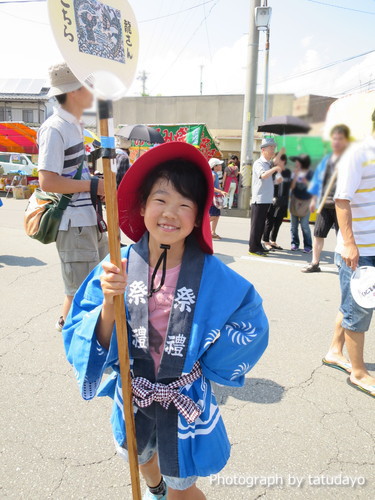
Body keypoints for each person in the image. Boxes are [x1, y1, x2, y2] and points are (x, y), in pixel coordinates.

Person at [62, 142, 269, 499]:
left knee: (182, 489)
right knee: (140, 458)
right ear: (142, 206)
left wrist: (208, 361)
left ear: (199, 216)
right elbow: (81, 326)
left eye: (185, 204)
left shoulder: (214, 276)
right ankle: (154, 486)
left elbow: (250, 321)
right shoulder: (117, 266)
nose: (170, 213)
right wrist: (110, 304)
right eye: (160, 200)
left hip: (182, 399)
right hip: (135, 392)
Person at [38, 62, 108, 332]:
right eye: (89, 84)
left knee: (91, 287)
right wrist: (91, 187)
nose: (93, 90)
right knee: (84, 293)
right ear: (76, 90)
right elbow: (48, 181)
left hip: (87, 220)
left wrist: (94, 184)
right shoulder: (55, 128)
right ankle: (79, 348)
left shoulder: (74, 125)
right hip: (74, 222)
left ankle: (68, 325)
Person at [323, 112, 375, 398]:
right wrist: (350, 243)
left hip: (371, 246)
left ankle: (335, 351)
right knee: (360, 307)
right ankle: (358, 372)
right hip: (360, 249)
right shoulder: (359, 153)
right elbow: (342, 200)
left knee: (350, 304)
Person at [302, 125, 351, 273]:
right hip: (325, 203)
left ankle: (344, 266)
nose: (336, 142)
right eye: (334, 139)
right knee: (318, 234)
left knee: (342, 237)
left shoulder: (349, 158)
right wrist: (313, 200)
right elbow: (317, 180)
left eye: (340, 139)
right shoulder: (327, 159)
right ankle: (315, 263)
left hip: (341, 204)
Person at [249, 138, 284, 256]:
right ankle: (253, 248)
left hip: (266, 199)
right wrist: (275, 169)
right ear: (263, 149)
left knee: (261, 224)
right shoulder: (259, 163)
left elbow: (275, 163)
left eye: (274, 147)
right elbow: (263, 176)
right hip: (259, 199)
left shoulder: (268, 163)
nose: (273, 150)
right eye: (271, 148)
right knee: (256, 225)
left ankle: (258, 245)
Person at [262, 154, 291, 250]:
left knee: (278, 221)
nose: (275, 162)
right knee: (269, 220)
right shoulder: (272, 171)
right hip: (272, 199)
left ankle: (273, 240)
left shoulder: (287, 172)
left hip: (283, 200)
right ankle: (266, 241)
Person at [289, 154, 313, 253]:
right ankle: (294, 243)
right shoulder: (294, 172)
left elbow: (313, 187)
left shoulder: (310, 173)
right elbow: (292, 187)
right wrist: (295, 176)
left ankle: (308, 245)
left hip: (306, 201)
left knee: (304, 226)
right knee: (293, 226)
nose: (296, 163)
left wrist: (305, 181)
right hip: (295, 200)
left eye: (298, 161)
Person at [208, 158, 226, 240]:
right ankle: (200, 227)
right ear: (215, 166)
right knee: (213, 216)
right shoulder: (213, 175)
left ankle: (213, 232)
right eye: (219, 164)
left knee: (217, 215)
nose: (220, 166)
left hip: (215, 198)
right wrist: (220, 191)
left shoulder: (215, 174)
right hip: (213, 198)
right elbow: (210, 187)